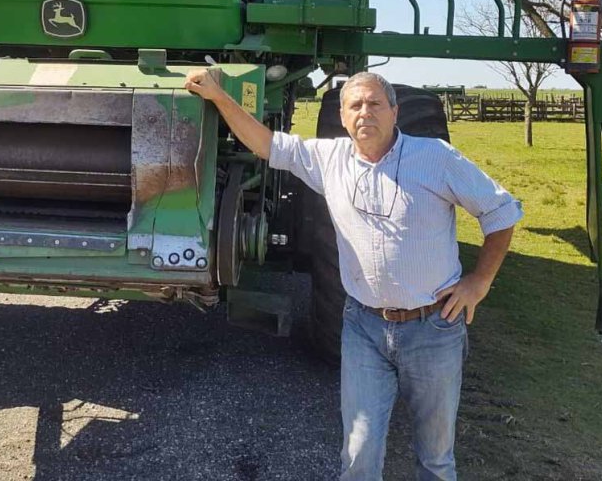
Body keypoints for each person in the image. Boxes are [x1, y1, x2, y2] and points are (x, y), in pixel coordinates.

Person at [184, 69, 522, 480]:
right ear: (342, 118)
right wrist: (219, 97)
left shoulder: (434, 157)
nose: (365, 112)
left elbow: (501, 210)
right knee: (359, 453)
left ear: (395, 112)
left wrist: (479, 282)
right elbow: (265, 143)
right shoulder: (330, 160)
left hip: (434, 328)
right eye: (355, 105)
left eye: (375, 103)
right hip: (364, 327)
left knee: (435, 456)